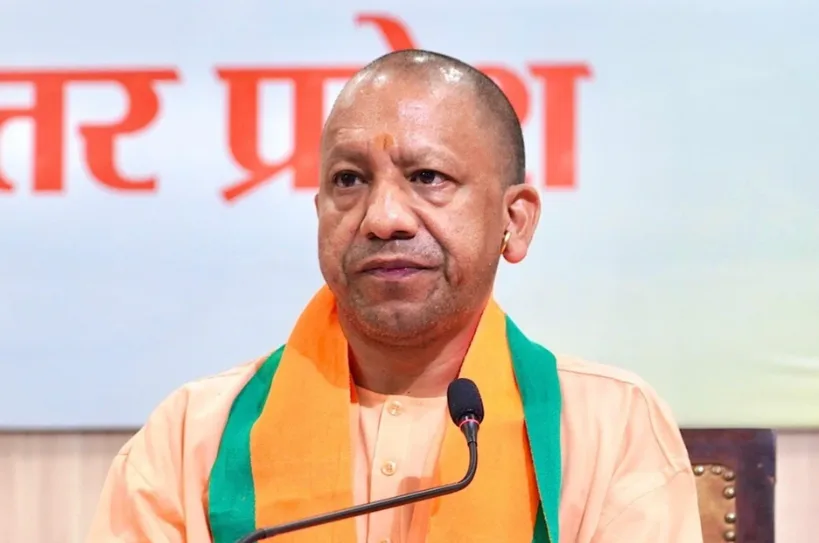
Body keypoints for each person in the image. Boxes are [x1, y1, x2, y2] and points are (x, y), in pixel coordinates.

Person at [87, 50, 703, 543]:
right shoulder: (192, 437)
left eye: (427, 177)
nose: (383, 218)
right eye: (349, 180)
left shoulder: (608, 427)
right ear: (319, 212)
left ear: (514, 221)